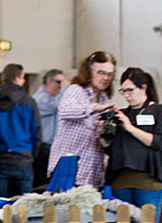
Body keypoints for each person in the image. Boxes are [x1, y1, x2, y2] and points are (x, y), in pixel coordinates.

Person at [48, 51, 117, 188]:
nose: (106, 78)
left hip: (91, 172)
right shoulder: (76, 90)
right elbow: (65, 110)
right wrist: (95, 108)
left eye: (110, 74)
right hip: (70, 169)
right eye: (101, 72)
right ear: (89, 71)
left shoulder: (102, 98)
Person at [103, 67, 162, 223]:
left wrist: (130, 127)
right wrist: (103, 136)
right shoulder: (121, 114)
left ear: (143, 87)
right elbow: (111, 148)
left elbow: (158, 142)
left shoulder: (158, 111)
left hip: (148, 181)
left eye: (130, 90)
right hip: (120, 181)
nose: (127, 95)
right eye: (123, 91)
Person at [0, 63, 41, 197]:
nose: (23, 81)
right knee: (25, 207)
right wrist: (31, 154)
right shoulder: (29, 102)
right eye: (23, 78)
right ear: (17, 78)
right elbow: (37, 132)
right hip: (23, 158)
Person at [32, 68, 67, 187]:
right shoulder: (39, 98)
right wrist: (64, 89)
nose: (61, 86)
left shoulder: (56, 97)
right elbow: (57, 105)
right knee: (42, 183)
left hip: (55, 147)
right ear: (49, 82)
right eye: (59, 82)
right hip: (43, 147)